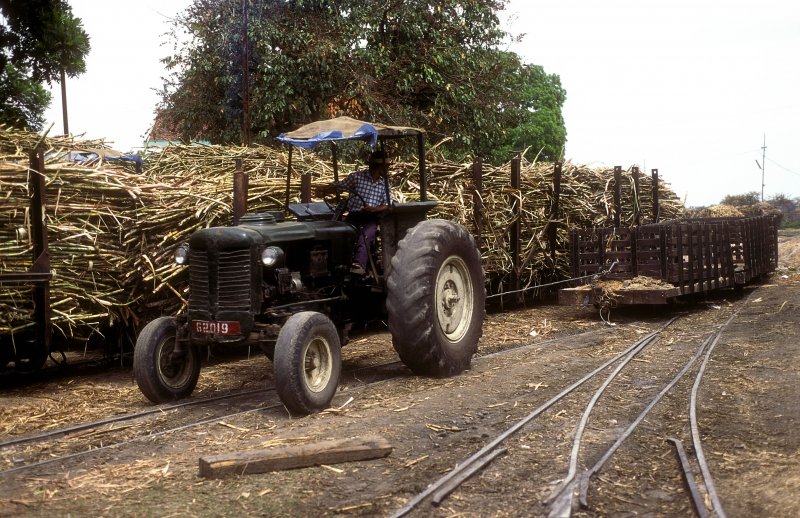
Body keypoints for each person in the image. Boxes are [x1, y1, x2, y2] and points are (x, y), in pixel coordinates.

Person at [316, 150, 391, 272]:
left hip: (371, 217)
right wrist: (324, 189)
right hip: (354, 216)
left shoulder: (385, 185)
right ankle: (338, 265)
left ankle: (359, 264)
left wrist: (373, 209)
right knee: (343, 236)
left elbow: (387, 205)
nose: (387, 169)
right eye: (385, 167)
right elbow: (340, 186)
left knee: (366, 236)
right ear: (378, 167)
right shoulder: (357, 177)